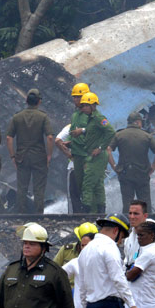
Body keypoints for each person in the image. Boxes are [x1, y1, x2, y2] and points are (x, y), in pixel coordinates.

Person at [6, 89, 54, 213]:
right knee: (39, 188)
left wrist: (12, 156)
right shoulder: (43, 117)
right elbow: (49, 137)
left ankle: (22, 214)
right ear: (39, 102)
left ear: (26, 101)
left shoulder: (17, 117)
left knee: (22, 187)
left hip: (22, 157)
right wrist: (49, 155)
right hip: (39, 157)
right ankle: (38, 215)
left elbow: (9, 138)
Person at [107, 112, 155, 213]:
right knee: (145, 202)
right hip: (142, 173)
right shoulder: (146, 136)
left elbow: (108, 149)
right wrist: (153, 167)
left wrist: (114, 167)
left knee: (127, 203)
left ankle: (127, 225)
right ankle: (146, 225)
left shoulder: (119, 135)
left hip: (124, 173)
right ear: (138, 122)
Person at [78, 93, 116, 214]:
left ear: (93, 106)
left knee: (88, 184)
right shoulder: (90, 119)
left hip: (97, 157)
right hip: (95, 156)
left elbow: (110, 131)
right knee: (99, 184)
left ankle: (86, 212)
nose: (82, 108)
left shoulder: (99, 118)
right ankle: (101, 211)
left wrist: (100, 147)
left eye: (85, 105)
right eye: (82, 106)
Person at [67, 83, 91, 213]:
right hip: (77, 158)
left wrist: (83, 130)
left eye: (78, 96)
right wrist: (69, 143)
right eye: (74, 97)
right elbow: (73, 134)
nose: (75, 99)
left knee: (88, 191)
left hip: (88, 157)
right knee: (74, 190)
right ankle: (78, 217)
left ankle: (90, 216)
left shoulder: (92, 114)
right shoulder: (75, 115)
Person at [124, 200, 155, 265]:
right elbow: (128, 260)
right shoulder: (129, 239)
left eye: (136, 214)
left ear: (145, 215)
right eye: (130, 213)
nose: (132, 217)